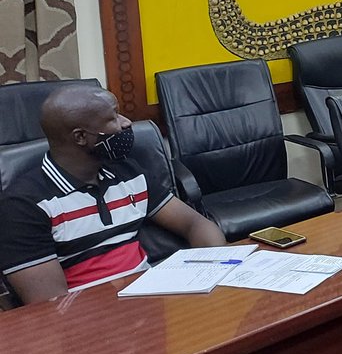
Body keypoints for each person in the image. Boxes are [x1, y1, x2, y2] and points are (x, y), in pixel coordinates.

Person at [0, 85, 226, 305]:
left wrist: (216, 271)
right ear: (80, 137)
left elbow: (195, 224)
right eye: (114, 117)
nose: (127, 123)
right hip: (89, 323)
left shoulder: (128, 172)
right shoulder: (24, 205)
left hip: (151, 303)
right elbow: (50, 305)